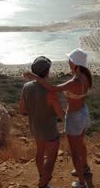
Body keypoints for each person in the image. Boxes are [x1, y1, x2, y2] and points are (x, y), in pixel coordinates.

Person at [24, 48, 93, 188]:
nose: (68, 61)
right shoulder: (85, 76)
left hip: (74, 117)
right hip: (83, 113)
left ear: (75, 63)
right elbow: (59, 102)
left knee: (74, 152)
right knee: (81, 143)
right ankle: (84, 169)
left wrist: (35, 78)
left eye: (70, 60)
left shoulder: (75, 81)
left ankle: (81, 182)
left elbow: (54, 88)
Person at [19, 56, 65, 188]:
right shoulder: (50, 92)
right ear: (47, 72)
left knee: (39, 152)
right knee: (51, 158)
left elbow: (22, 109)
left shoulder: (26, 87)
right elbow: (60, 114)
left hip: (35, 128)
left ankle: (42, 177)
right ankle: (43, 184)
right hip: (49, 131)